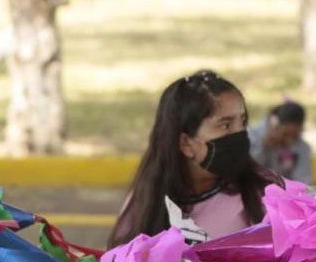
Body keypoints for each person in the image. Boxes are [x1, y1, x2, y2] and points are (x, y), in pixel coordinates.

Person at [109, 70, 277, 248]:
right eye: (225, 125)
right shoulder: (146, 202)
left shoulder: (266, 193)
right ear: (186, 144)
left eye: (242, 122)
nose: (240, 133)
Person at [249, 100, 313, 183]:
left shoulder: (303, 147)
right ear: (274, 125)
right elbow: (248, 170)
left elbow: (303, 179)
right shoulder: (253, 137)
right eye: (285, 134)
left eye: (294, 136)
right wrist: (263, 147)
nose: (289, 140)